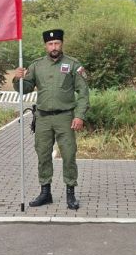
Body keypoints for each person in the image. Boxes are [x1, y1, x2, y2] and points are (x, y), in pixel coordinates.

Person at [13, 28, 89, 210]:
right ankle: (45, 193)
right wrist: (18, 79)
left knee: (69, 155)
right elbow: (25, 88)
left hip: (65, 118)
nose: (54, 47)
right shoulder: (37, 66)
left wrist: (79, 116)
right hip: (43, 119)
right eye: (50, 44)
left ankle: (71, 193)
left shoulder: (72, 65)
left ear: (62, 44)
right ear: (45, 46)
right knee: (43, 155)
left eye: (57, 43)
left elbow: (83, 93)